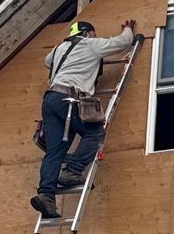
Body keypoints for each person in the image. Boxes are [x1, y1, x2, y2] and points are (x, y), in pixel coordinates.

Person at [34, 14, 140, 219]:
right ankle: (73, 171)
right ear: (87, 33)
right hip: (70, 99)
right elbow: (123, 42)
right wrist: (128, 29)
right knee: (94, 133)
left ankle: (46, 195)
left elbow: (47, 62)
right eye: (93, 34)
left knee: (55, 151)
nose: (94, 36)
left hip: (51, 100)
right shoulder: (90, 44)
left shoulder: (57, 50)